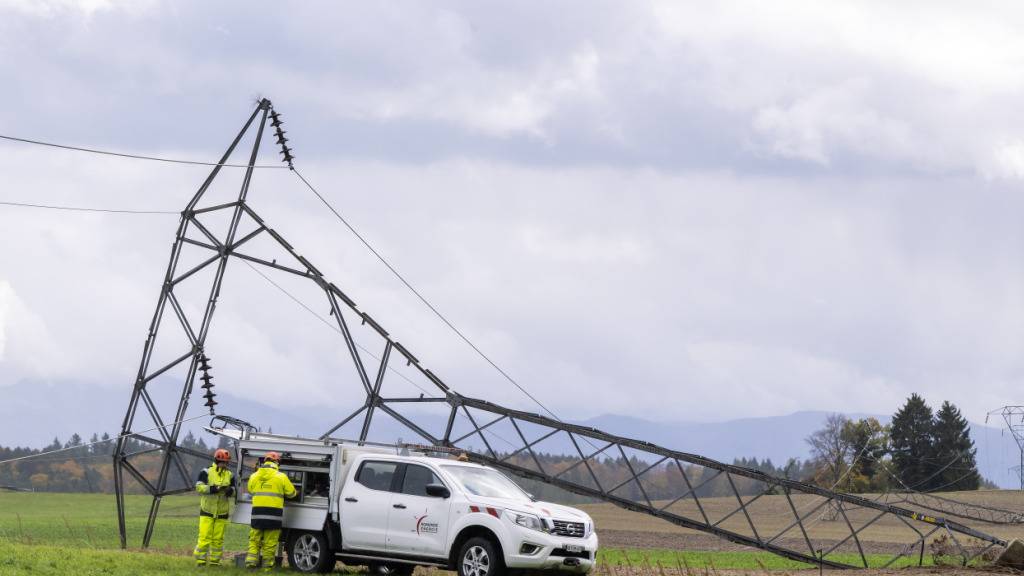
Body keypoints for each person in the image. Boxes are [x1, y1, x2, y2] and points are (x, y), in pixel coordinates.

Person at [246, 451, 297, 571]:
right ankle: (267, 567)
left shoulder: (254, 476)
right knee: (269, 543)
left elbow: (250, 490)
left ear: (265, 461)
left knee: (254, 540)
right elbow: (291, 494)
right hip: (273, 515)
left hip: (257, 514)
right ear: (277, 462)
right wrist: (296, 492)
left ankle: (251, 564)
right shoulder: (281, 477)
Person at [193, 448, 236, 566]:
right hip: (207, 510)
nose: (225, 465)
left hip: (222, 512)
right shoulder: (206, 472)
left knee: (218, 539)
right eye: (223, 462)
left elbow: (234, 491)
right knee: (204, 537)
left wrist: (229, 491)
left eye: (226, 463)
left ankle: (214, 562)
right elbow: (199, 487)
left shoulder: (230, 475)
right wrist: (213, 489)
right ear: (217, 461)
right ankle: (200, 561)